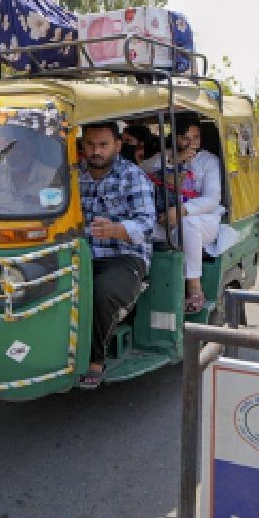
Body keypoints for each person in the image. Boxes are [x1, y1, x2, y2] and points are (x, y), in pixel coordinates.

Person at [77, 121, 156, 389]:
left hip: (124, 256)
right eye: (90, 144)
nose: (96, 151)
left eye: (103, 145)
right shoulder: (72, 175)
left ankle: (95, 360)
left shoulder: (132, 176)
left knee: (101, 293)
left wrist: (117, 230)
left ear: (118, 146)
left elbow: (146, 224)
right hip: (81, 255)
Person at [143, 116, 224, 313]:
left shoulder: (208, 161)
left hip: (202, 221)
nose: (191, 143)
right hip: (165, 220)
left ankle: (194, 285)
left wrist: (181, 211)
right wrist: (171, 160)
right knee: (139, 228)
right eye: (185, 138)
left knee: (188, 224)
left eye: (195, 138)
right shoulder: (166, 156)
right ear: (176, 138)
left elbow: (212, 199)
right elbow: (141, 170)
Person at [0, 125, 62, 214]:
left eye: (17, 147)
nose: (11, 153)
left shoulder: (50, 176)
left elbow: (59, 212)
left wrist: (39, 201)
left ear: (31, 148)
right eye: (7, 148)